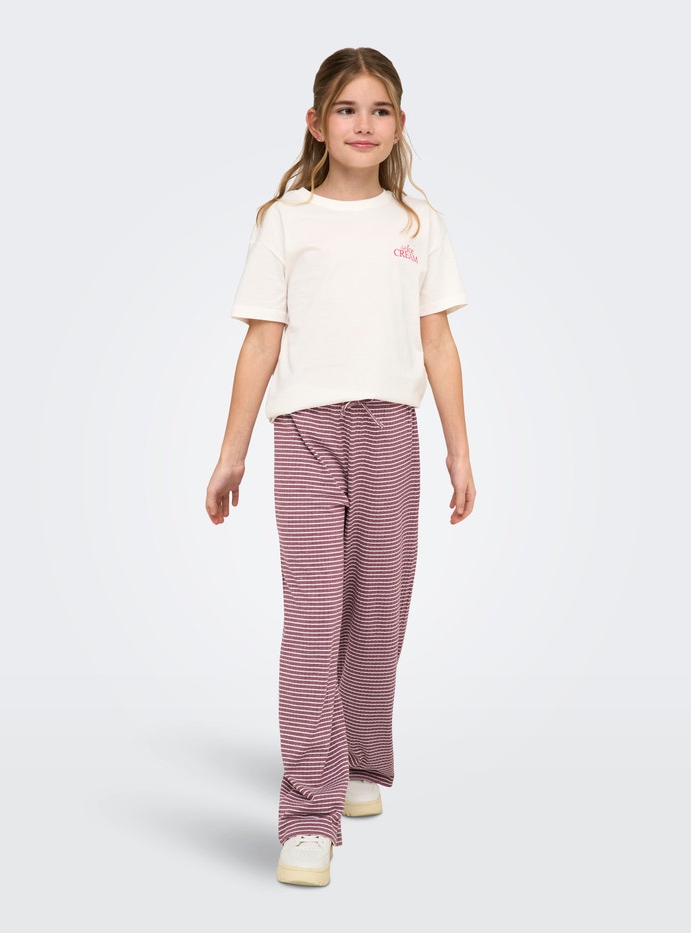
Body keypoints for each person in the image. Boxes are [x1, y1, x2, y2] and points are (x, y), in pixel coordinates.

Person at [205, 46, 476, 887]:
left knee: (378, 609)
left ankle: (359, 759)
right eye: (348, 109)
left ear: (399, 124)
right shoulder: (287, 221)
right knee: (316, 616)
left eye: (380, 109)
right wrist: (231, 451)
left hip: (392, 429)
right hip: (307, 433)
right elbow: (262, 342)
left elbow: (438, 341)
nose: (365, 124)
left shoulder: (417, 223)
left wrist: (460, 449)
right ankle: (307, 815)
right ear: (317, 123)